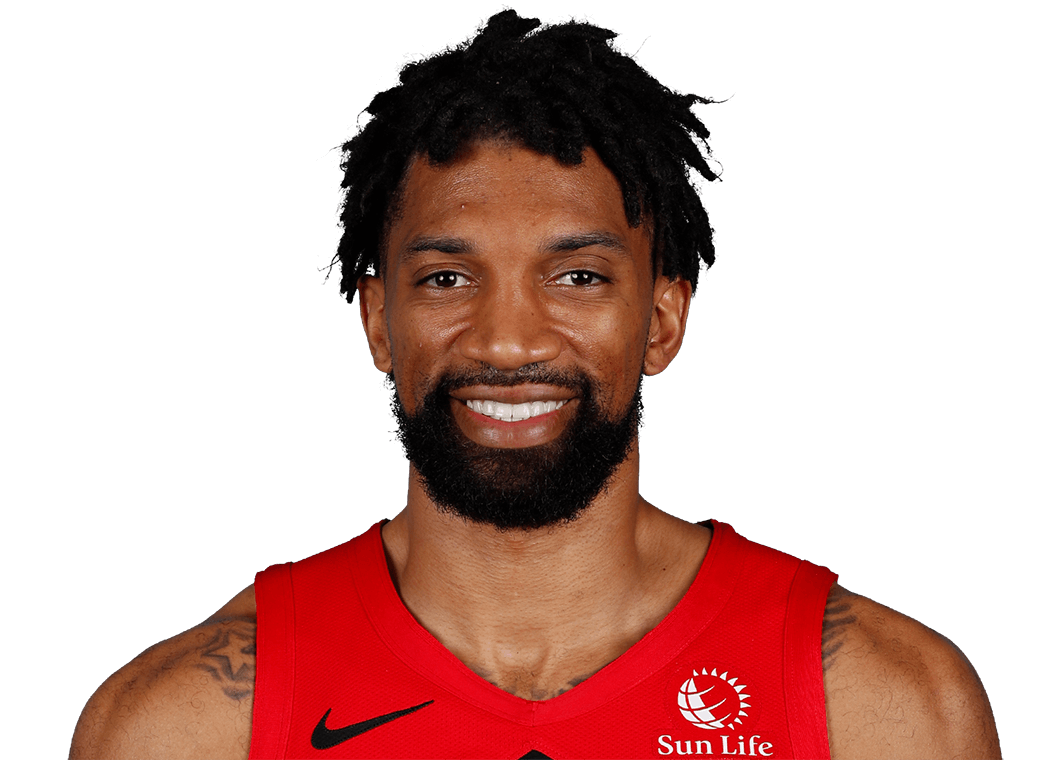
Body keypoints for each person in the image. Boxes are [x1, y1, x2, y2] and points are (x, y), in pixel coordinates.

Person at [69, 9, 1001, 759]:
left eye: (578, 277)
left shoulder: (879, 707)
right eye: (447, 278)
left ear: (663, 321)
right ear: (378, 321)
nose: (508, 339)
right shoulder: (187, 725)